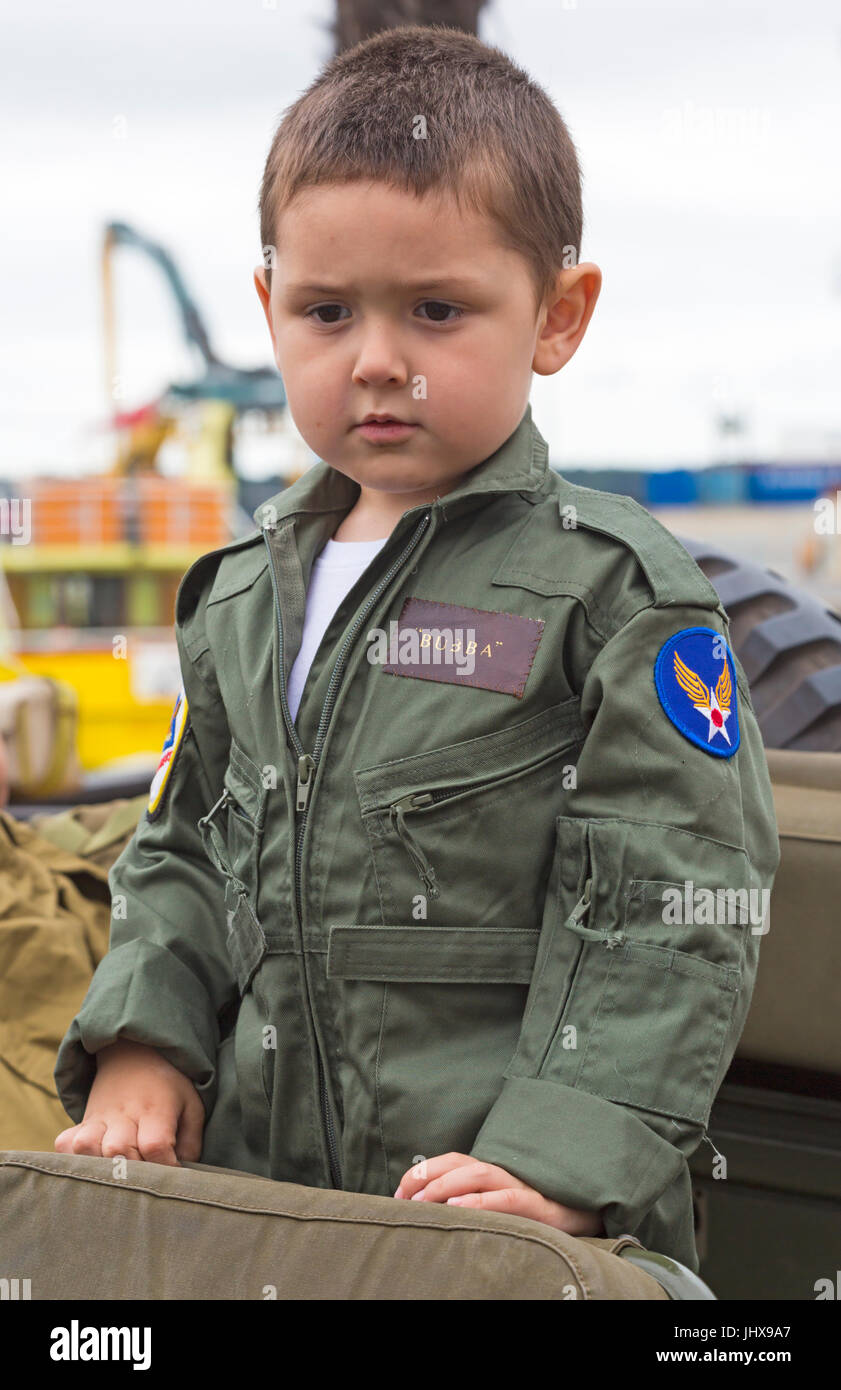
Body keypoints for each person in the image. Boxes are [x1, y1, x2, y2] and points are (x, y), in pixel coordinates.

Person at [54, 25, 780, 1271]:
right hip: (264, 1216)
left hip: (511, 1236)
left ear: (558, 316)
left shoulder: (614, 597)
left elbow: (673, 902)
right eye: (325, 311)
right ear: (266, 308)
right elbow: (179, 852)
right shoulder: (238, 594)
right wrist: (142, 1043)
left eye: (437, 310)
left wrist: (565, 1158)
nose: (377, 359)